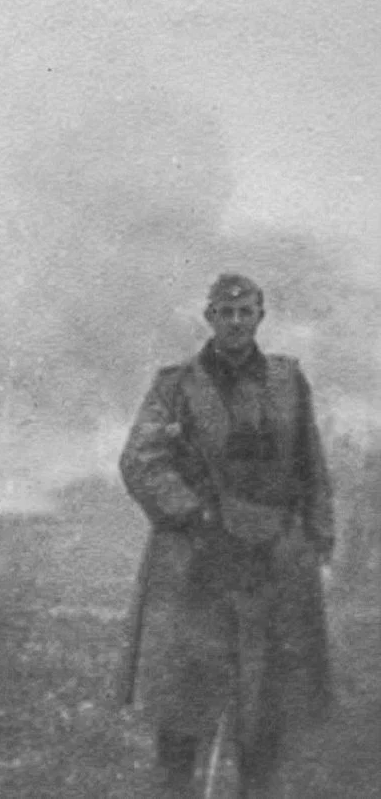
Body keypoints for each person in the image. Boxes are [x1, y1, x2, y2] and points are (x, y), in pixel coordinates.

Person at [119, 273, 333, 798]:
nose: (236, 322)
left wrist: (317, 540)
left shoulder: (288, 380)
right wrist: (195, 517)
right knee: (188, 687)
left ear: (260, 316)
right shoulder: (175, 385)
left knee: (269, 693)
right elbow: (141, 462)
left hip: (277, 556)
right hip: (200, 555)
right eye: (225, 312)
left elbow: (312, 465)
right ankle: (177, 788)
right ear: (209, 318)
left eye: (246, 312)